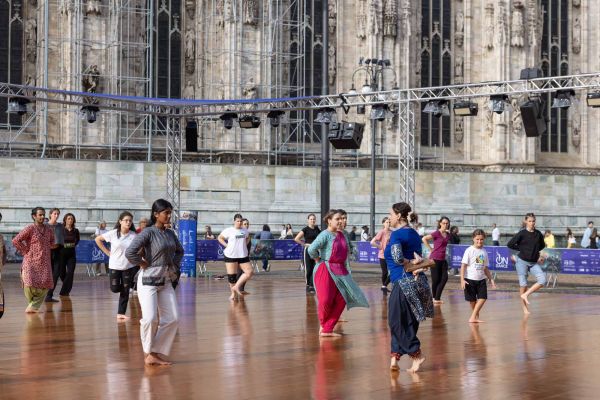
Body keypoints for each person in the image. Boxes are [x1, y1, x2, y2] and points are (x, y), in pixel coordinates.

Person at [125, 199, 183, 366]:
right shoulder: (148, 232)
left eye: (170, 213)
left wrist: (174, 265)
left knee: (172, 318)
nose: (169, 216)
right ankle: (147, 353)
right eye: (166, 213)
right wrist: (142, 263)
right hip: (148, 281)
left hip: (166, 281)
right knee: (150, 319)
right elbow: (130, 252)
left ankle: (155, 353)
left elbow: (180, 251)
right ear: (156, 214)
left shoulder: (170, 233)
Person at [385, 202, 432, 372]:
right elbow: (420, 256)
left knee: (395, 320)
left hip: (403, 281)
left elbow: (398, 258)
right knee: (408, 321)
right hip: (418, 281)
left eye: (391, 214)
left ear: (398, 216)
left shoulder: (397, 234)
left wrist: (409, 261)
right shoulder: (413, 233)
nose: (389, 218)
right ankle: (395, 356)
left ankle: (416, 353)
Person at [308, 210, 369, 337]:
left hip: (341, 270)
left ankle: (327, 328)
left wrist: (347, 269)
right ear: (329, 221)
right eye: (337, 219)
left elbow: (346, 253)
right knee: (325, 299)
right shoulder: (325, 234)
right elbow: (311, 249)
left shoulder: (343, 234)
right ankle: (324, 326)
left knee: (343, 297)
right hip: (325, 269)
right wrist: (317, 259)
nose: (341, 221)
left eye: (342, 218)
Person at [95, 212, 138, 321]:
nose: (128, 222)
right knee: (114, 289)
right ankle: (127, 287)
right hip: (114, 265)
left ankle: (121, 313)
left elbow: (140, 247)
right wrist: (107, 252)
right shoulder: (113, 233)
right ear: (120, 221)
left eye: (130, 221)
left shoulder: (134, 235)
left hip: (128, 266)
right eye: (126, 220)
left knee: (125, 291)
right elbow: (97, 239)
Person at [12, 207, 55, 313]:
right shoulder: (30, 228)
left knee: (46, 283)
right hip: (30, 260)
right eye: (40, 215)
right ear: (34, 216)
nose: (42, 217)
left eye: (43, 214)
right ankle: (32, 304)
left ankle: (33, 306)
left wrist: (45, 249)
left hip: (45, 261)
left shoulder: (49, 229)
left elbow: (52, 242)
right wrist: (25, 250)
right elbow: (16, 240)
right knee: (28, 282)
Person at [507, 212, 546, 314]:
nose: (532, 223)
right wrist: (522, 248)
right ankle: (524, 308)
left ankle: (526, 294)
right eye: (529, 221)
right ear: (526, 222)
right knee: (523, 285)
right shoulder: (522, 233)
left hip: (533, 262)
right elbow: (510, 244)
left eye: (533, 221)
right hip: (521, 262)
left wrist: (536, 253)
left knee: (542, 280)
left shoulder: (538, 234)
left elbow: (542, 245)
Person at [460, 229, 496, 323]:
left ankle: (473, 317)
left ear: (484, 239)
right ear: (473, 239)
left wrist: (491, 279)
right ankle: (475, 317)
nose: (479, 241)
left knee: (483, 298)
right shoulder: (469, 250)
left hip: (481, 279)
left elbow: (485, 268)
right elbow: (463, 266)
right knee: (472, 301)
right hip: (469, 279)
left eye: (481, 239)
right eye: (477, 239)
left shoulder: (484, 251)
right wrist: (462, 280)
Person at [218, 214, 253, 301]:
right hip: (231, 255)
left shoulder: (245, 230)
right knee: (232, 276)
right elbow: (220, 238)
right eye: (238, 221)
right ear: (234, 221)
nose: (239, 223)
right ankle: (233, 294)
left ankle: (236, 286)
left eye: (241, 221)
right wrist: (227, 245)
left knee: (249, 272)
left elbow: (248, 238)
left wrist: (244, 244)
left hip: (242, 255)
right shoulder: (229, 230)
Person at [422, 216, 451, 305]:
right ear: (440, 223)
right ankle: (435, 298)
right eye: (443, 223)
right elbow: (424, 239)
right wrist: (430, 249)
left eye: (447, 223)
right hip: (435, 259)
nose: (445, 225)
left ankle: (436, 298)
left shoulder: (448, 234)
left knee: (444, 278)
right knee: (436, 280)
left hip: (443, 259)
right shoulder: (437, 233)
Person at [295, 214, 321, 293]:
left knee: (315, 268)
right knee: (308, 268)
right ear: (308, 220)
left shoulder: (317, 229)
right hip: (308, 250)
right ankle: (308, 285)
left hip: (316, 250)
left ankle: (312, 285)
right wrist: (304, 244)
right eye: (311, 219)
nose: (312, 220)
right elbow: (296, 239)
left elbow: (321, 238)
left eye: (314, 219)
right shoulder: (305, 229)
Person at [57, 213, 80, 297]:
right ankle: (66, 287)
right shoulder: (61, 229)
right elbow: (58, 240)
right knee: (62, 273)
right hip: (61, 254)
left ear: (73, 221)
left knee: (70, 272)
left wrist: (73, 244)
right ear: (65, 220)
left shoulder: (75, 230)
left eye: (71, 219)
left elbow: (77, 240)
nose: (70, 220)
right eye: (68, 219)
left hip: (71, 254)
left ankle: (64, 291)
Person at [44, 208, 64, 303]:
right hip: (47, 252)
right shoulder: (45, 226)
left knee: (56, 274)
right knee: (47, 274)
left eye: (58, 214)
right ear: (50, 214)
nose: (56, 215)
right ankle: (42, 294)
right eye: (54, 213)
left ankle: (49, 295)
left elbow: (62, 239)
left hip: (58, 251)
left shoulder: (60, 226)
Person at [370, 217, 391, 293]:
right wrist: (379, 246)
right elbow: (372, 242)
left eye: (389, 222)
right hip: (382, 255)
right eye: (386, 222)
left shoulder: (392, 232)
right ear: (383, 223)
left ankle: (384, 286)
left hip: (391, 255)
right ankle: (384, 287)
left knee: (393, 271)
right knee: (385, 272)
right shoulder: (382, 232)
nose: (388, 224)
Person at [236, 218, 252, 293]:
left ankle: (241, 289)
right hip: (239, 257)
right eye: (245, 224)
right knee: (241, 273)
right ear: (241, 225)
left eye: (248, 224)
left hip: (246, 257)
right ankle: (238, 289)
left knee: (246, 273)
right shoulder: (241, 233)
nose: (247, 225)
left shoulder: (247, 234)